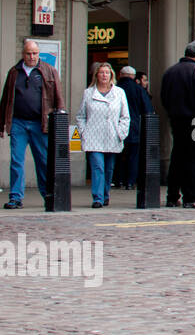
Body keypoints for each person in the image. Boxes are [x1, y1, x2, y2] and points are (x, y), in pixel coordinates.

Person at [0, 39, 66, 209]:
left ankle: (48, 195)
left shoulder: (49, 71)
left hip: (40, 123)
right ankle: (16, 197)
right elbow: (5, 99)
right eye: (28, 53)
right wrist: (2, 123)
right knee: (16, 161)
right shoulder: (14, 72)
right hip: (18, 123)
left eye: (35, 53)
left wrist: (61, 119)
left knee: (43, 161)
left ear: (39, 54)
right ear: (23, 54)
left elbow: (59, 97)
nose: (31, 56)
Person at [160, 39, 195, 209]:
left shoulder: (170, 71)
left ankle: (172, 196)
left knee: (177, 156)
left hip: (177, 118)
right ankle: (191, 197)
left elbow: (164, 97)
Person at [76, 62, 131, 209]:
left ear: (111, 75)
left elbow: (125, 116)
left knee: (108, 169)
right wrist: (83, 132)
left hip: (112, 136)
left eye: (107, 73)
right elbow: (81, 115)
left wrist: (121, 133)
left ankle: (105, 195)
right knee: (97, 167)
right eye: (101, 73)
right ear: (96, 75)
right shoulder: (88, 93)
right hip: (93, 136)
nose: (104, 75)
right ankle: (98, 197)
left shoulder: (119, 93)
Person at [114, 65, 150, 191]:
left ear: (120, 74)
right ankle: (130, 182)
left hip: (116, 126)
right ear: (133, 77)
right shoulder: (138, 89)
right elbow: (147, 109)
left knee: (117, 154)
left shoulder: (115, 89)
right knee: (133, 155)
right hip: (134, 126)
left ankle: (117, 179)